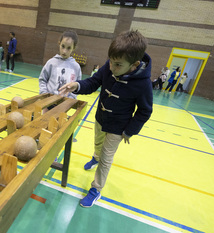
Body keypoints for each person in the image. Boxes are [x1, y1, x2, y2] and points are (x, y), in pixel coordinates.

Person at [59, 30, 153, 208]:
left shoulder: (143, 83)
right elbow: (93, 82)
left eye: (117, 65)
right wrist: (77, 85)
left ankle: (96, 189)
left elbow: (145, 111)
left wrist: (129, 131)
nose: (111, 67)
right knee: (97, 144)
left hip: (118, 127)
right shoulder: (110, 66)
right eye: (110, 61)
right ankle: (95, 156)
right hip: (101, 117)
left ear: (134, 65)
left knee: (106, 158)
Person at [39, 30, 82, 103]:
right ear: (59, 44)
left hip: (64, 104)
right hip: (48, 102)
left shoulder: (76, 67)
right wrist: (44, 94)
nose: (64, 51)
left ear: (73, 48)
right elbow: (43, 79)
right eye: (63, 46)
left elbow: (76, 86)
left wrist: (70, 99)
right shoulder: (51, 63)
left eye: (68, 48)